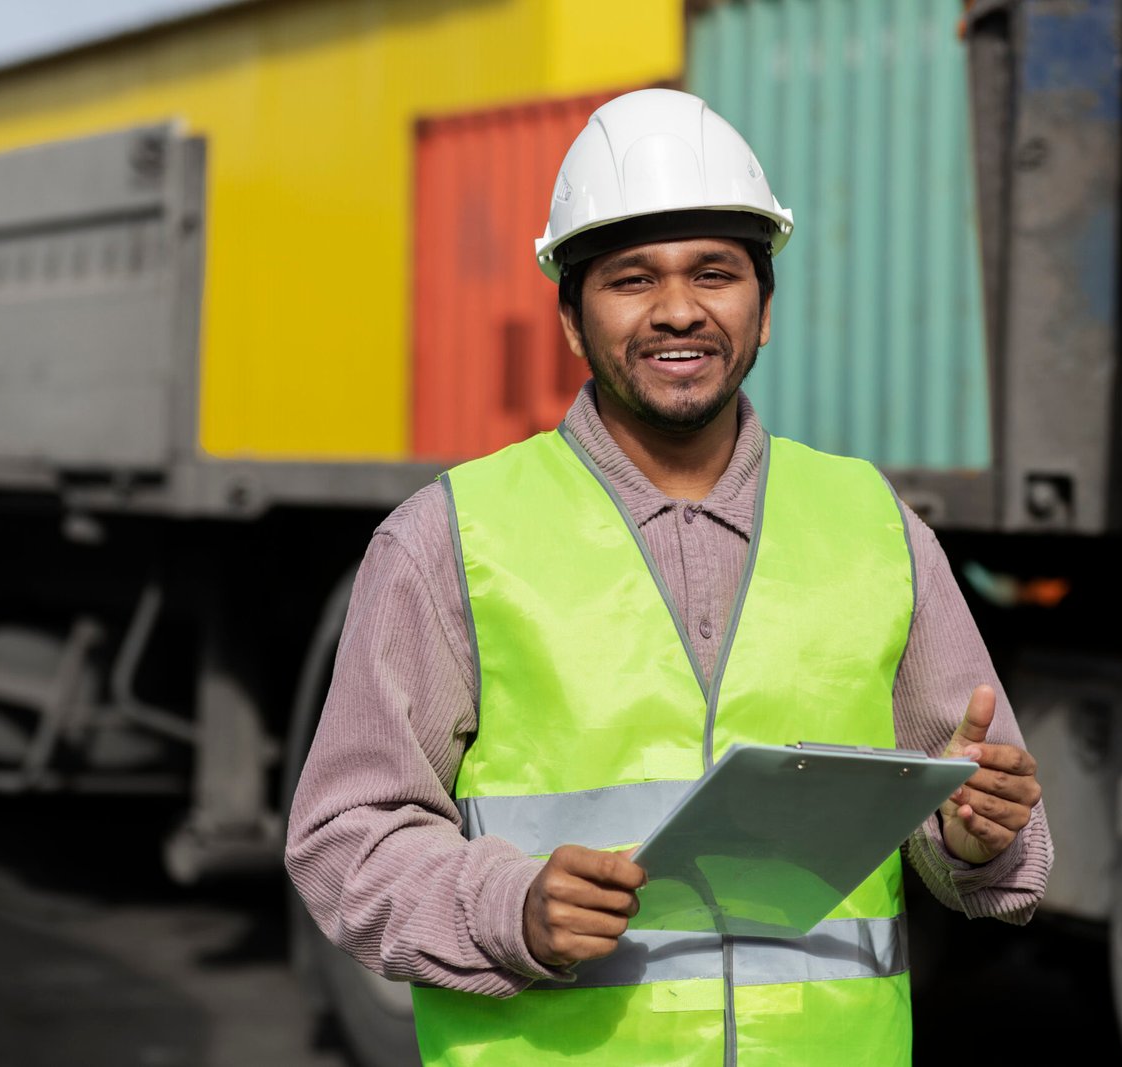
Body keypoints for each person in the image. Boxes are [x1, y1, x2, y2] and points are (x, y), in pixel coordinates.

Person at [286, 88, 1051, 1066]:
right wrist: (509, 905)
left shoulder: (875, 525)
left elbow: (972, 828)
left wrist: (978, 833)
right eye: (631, 278)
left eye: (715, 273)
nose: (679, 309)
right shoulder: (448, 538)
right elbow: (344, 836)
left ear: (764, 310)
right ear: (571, 318)